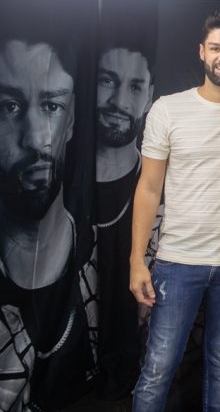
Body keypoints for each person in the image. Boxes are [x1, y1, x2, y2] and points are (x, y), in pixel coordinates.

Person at [129, 11, 220, 412]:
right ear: (202, 52)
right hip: (178, 262)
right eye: (215, 48)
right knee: (158, 367)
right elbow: (148, 188)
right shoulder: (168, 110)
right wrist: (137, 260)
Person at [0, 39, 97, 410]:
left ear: (70, 120)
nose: (35, 138)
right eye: (10, 106)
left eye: (51, 106)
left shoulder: (100, 261)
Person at [94, 46, 154, 400]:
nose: (119, 101)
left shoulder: (160, 192)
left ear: (149, 95)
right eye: (107, 81)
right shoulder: (55, 185)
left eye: (134, 86)